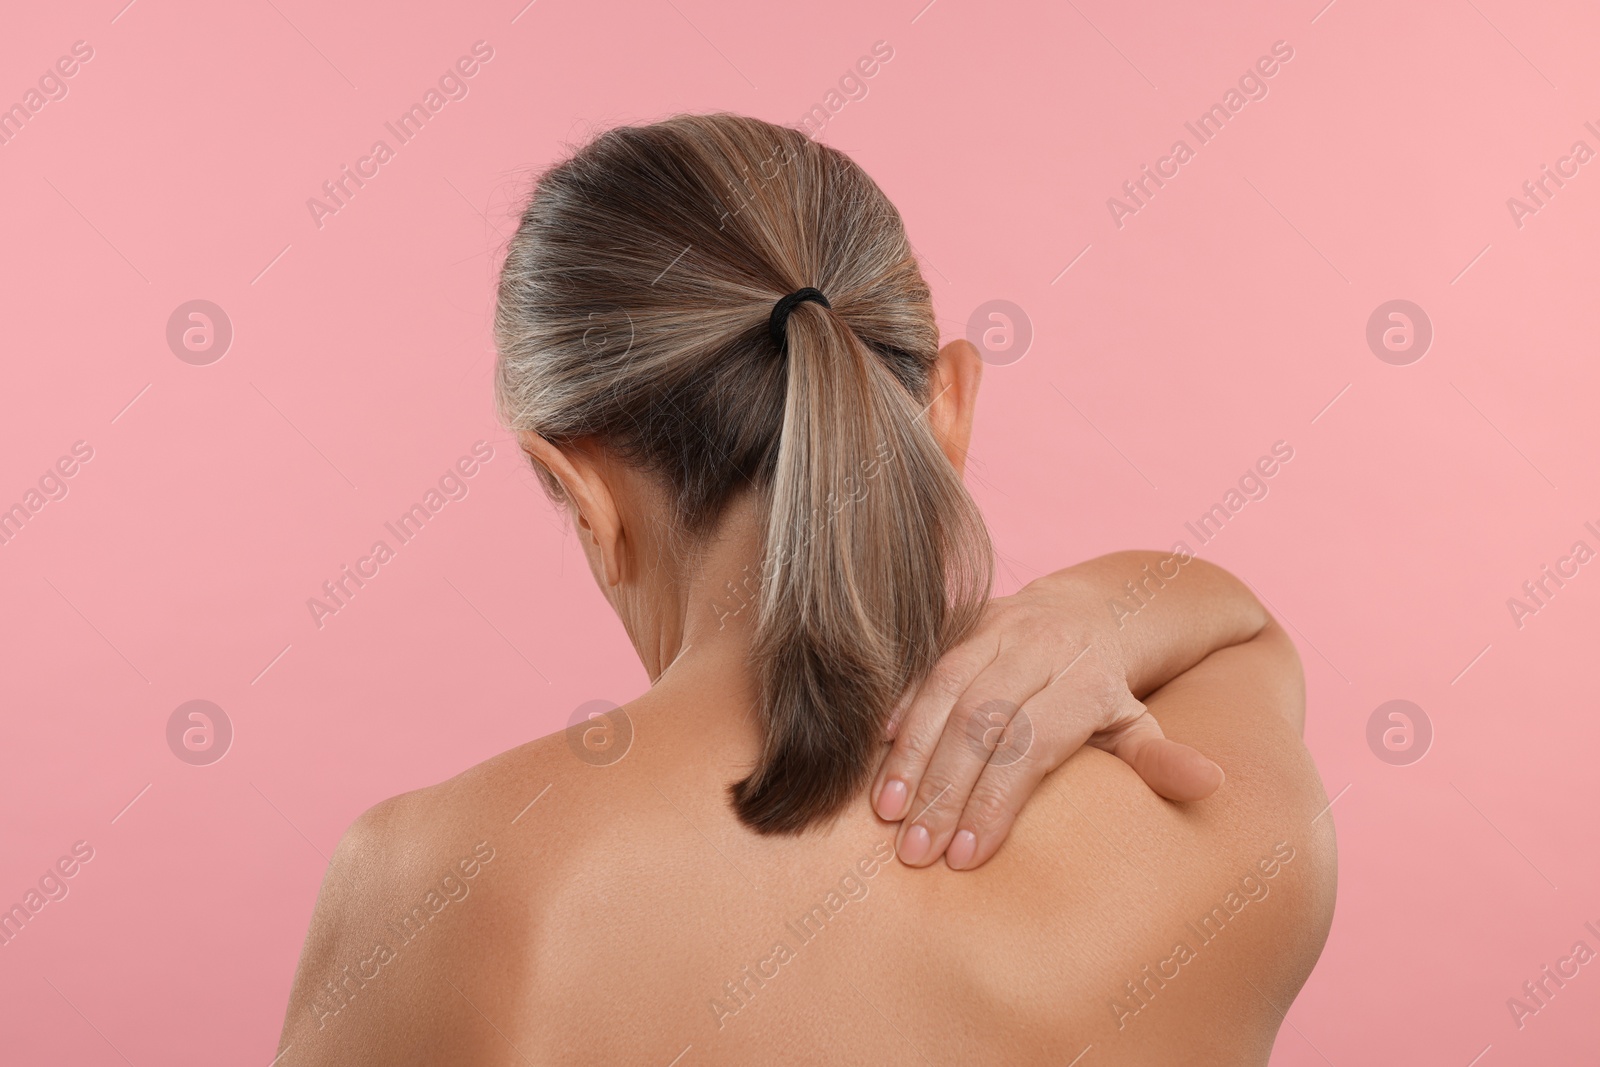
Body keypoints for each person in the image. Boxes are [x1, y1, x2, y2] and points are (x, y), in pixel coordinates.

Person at [278, 113, 1335, 1065]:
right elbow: (1248, 638)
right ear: (948, 406)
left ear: (578, 483)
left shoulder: (436, 886)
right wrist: (1101, 605)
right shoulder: (1203, 819)